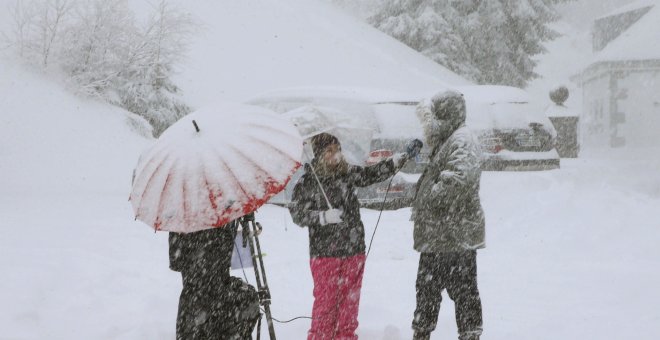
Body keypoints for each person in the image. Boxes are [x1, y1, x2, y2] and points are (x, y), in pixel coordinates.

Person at [288, 133, 420, 340]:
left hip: (353, 248)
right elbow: (297, 214)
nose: (335, 155)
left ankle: (345, 336)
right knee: (326, 302)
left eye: (337, 149)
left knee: (349, 303)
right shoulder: (308, 181)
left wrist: (399, 159)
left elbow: (372, 174)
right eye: (329, 151)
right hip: (325, 253)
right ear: (319, 154)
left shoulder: (346, 173)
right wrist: (322, 217)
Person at [410, 90, 486, 340]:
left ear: (444, 116)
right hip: (441, 235)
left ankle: (467, 336)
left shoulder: (461, 140)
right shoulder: (449, 138)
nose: (427, 125)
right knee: (428, 291)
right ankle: (423, 333)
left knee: (461, 292)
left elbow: (459, 181)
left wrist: (428, 195)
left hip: (453, 235)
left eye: (431, 118)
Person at [169, 220, 260, 340]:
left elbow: (176, 263)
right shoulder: (221, 216)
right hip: (217, 295)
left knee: (248, 296)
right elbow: (227, 253)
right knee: (249, 297)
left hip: (193, 300)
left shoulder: (182, 218)